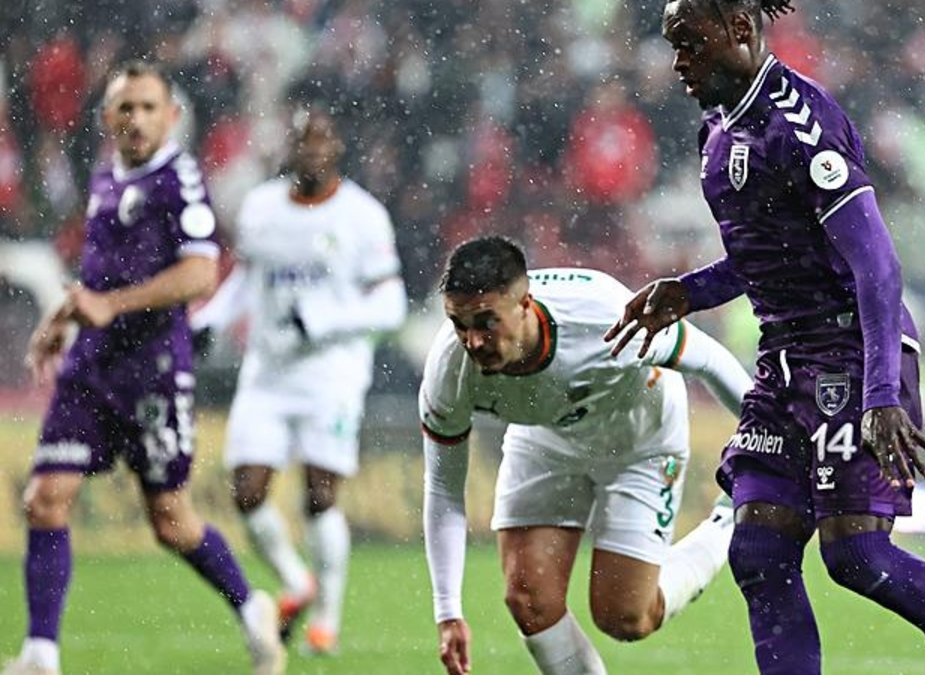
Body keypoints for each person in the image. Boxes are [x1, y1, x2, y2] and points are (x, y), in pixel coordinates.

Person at [605, 3, 925, 674]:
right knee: (759, 550)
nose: (678, 62)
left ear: (740, 30)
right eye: (673, 46)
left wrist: (880, 392)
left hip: (849, 350)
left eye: (690, 43)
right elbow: (765, 255)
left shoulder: (801, 120)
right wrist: (687, 292)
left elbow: (876, 263)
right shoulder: (717, 131)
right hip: (784, 359)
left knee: (856, 555)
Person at [4, 61, 285, 675]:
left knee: (171, 521)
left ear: (172, 116)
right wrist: (65, 318)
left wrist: (113, 305)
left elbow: (201, 273)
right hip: (90, 366)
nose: (135, 119)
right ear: (107, 117)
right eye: (124, 108)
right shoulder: (106, 172)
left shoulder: (179, 180)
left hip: (152, 371)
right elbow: (103, 274)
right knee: (45, 498)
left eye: (147, 107)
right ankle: (41, 656)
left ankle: (251, 604)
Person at [421, 237, 752, 675]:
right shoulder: (449, 370)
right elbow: (443, 489)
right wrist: (448, 610)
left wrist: (771, 441)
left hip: (641, 440)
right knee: (528, 600)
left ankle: (724, 525)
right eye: (459, 324)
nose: (473, 340)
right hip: (547, 437)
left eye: (486, 322)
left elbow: (709, 359)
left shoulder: (605, 317)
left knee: (625, 617)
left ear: (525, 305)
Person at [190, 106, 407, 655]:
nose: (311, 149)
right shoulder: (262, 207)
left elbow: (391, 303)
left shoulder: (363, 216)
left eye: (321, 140)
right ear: (288, 147)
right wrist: (208, 320)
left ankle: (327, 617)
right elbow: (245, 279)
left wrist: (325, 323)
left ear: (337, 148)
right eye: (302, 139)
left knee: (319, 495)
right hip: (266, 372)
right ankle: (295, 580)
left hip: (331, 375)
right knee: (247, 491)